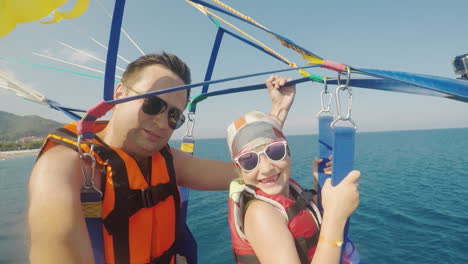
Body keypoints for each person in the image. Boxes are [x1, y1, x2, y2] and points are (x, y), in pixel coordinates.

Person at [27, 52, 296, 264]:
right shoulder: (63, 170)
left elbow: (253, 171)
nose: (161, 122)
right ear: (119, 94)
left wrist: (277, 113)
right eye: (152, 104)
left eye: (173, 116)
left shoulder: (168, 161)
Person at [226, 110, 360, 264]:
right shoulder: (261, 215)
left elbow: (307, 218)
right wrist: (336, 218)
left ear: (288, 153)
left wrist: (320, 185)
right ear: (240, 170)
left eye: (275, 152)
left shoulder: (288, 189)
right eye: (248, 161)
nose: (266, 168)